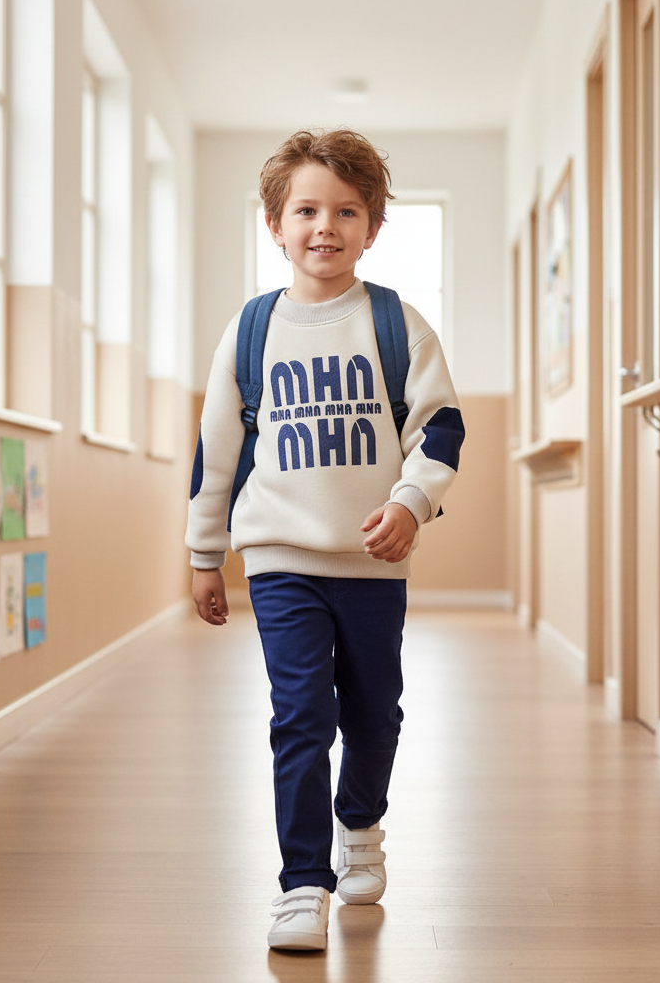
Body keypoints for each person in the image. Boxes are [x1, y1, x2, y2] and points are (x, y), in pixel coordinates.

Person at [185, 128, 464, 951]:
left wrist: (411, 503)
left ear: (372, 226)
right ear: (275, 224)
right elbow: (216, 453)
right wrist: (205, 556)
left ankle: (362, 827)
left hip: (373, 566)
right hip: (279, 562)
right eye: (306, 210)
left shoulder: (396, 323)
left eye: (346, 211)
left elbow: (440, 429)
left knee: (374, 714)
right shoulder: (250, 330)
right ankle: (302, 881)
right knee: (301, 715)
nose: (325, 227)